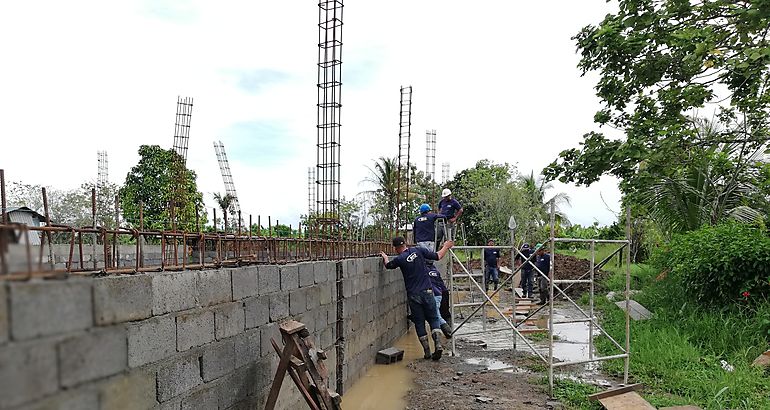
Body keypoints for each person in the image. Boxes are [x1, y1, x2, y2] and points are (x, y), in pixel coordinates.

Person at [381, 237, 455, 360]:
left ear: (396, 248)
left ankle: (427, 352)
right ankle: (437, 345)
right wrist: (446, 246)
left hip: (413, 296)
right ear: (405, 244)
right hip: (427, 291)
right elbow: (438, 256)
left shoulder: (400, 259)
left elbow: (388, 265)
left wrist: (385, 258)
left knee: (419, 322)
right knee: (433, 318)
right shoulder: (419, 250)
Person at [427, 264, 453, 338]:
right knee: (445, 313)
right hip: (442, 292)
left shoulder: (424, 270)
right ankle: (449, 333)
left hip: (437, 293)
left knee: (438, 315)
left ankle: (449, 333)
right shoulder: (434, 268)